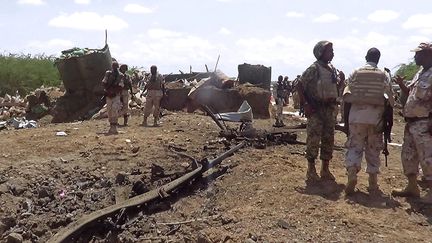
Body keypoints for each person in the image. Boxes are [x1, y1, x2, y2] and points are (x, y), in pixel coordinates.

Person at [342, 47, 394, 195]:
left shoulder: (355, 72)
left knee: (355, 146)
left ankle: (352, 173)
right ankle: (372, 183)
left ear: (366, 57)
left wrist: (345, 121)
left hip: (356, 116)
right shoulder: (384, 75)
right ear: (378, 59)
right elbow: (390, 99)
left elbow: (346, 95)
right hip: (376, 118)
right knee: (373, 149)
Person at [297, 40, 345, 181]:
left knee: (328, 139)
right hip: (316, 108)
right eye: (329, 51)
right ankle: (311, 170)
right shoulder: (314, 68)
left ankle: (325, 169)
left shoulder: (332, 69)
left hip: (329, 109)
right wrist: (305, 104)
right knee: (313, 139)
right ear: (320, 52)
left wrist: (341, 81)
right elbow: (299, 84)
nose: (332, 53)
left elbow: (335, 89)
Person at [391, 42, 432, 204]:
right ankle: (412, 186)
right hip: (412, 122)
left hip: (425, 123)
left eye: (418, 54)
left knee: (428, 157)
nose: (415, 56)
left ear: (428, 54)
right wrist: (402, 85)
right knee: (408, 155)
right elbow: (412, 94)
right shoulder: (420, 73)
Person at [102, 61, 124, 134]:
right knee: (109, 111)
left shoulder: (120, 75)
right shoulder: (108, 73)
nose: (114, 68)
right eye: (113, 66)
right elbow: (104, 83)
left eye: (116, 67)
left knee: (114, 109)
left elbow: (121, 86)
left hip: (116, 95)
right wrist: (108, 90)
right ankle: (111, 126)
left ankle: (114, 126)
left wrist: (114, 91)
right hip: (109, 95)